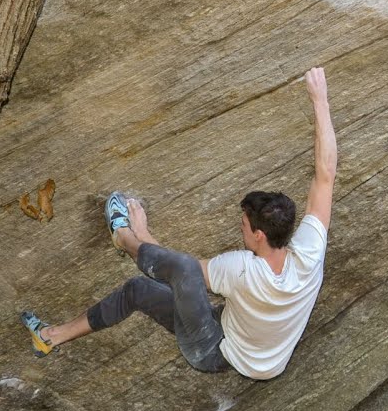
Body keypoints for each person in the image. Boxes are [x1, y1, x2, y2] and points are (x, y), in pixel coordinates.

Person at [21, 67, 338, 380]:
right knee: (138, 290)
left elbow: (181, 273)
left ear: (258, 235)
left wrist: (143, 235)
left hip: (213, 350)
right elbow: (325, 175)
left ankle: (124, 238)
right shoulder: (309, 255)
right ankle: (50, 337)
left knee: (181, 271)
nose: (238, 227)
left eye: (242, 225)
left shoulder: (242, 269)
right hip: (264, 355)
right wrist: (320, 100)